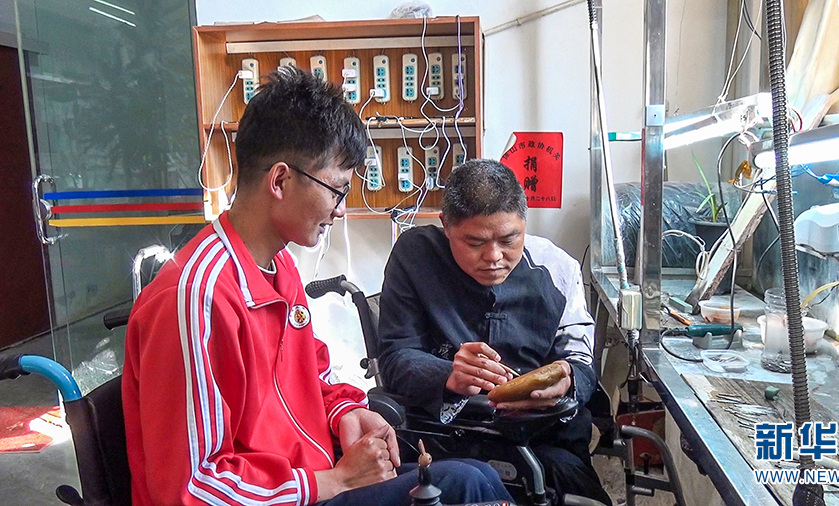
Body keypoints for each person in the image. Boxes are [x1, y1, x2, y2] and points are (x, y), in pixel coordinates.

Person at [122, 67, 512, 506]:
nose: (339, 211)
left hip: (310, 480)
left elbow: (314, 376)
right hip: (294, 493)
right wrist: (334, 482)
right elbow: (191, 488)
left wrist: (347, 411)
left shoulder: (278, 267)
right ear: (280, 181)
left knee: (474, 477)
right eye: (336, 190)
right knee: (462, 484)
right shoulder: (197, 298)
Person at [378, 159, 612, 506]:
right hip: (444, 436)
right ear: (446, 225)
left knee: (576, 491)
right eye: (474, 242)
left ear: (524, 224)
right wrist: (447, 375)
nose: (494, 257)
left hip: (539, 438)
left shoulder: (557, 268)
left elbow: (580, 360)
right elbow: (395, 355)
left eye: (509, 239)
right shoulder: (416, 257)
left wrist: (567, 379)